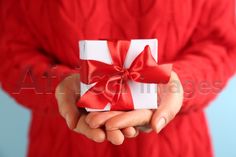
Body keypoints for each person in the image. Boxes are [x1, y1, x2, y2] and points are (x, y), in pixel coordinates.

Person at [0, 0, 236, 157]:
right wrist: (58, 84)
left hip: (177, 146)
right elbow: (9, 50)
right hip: (63, 143)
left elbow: (221, 42)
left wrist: (179, 83)